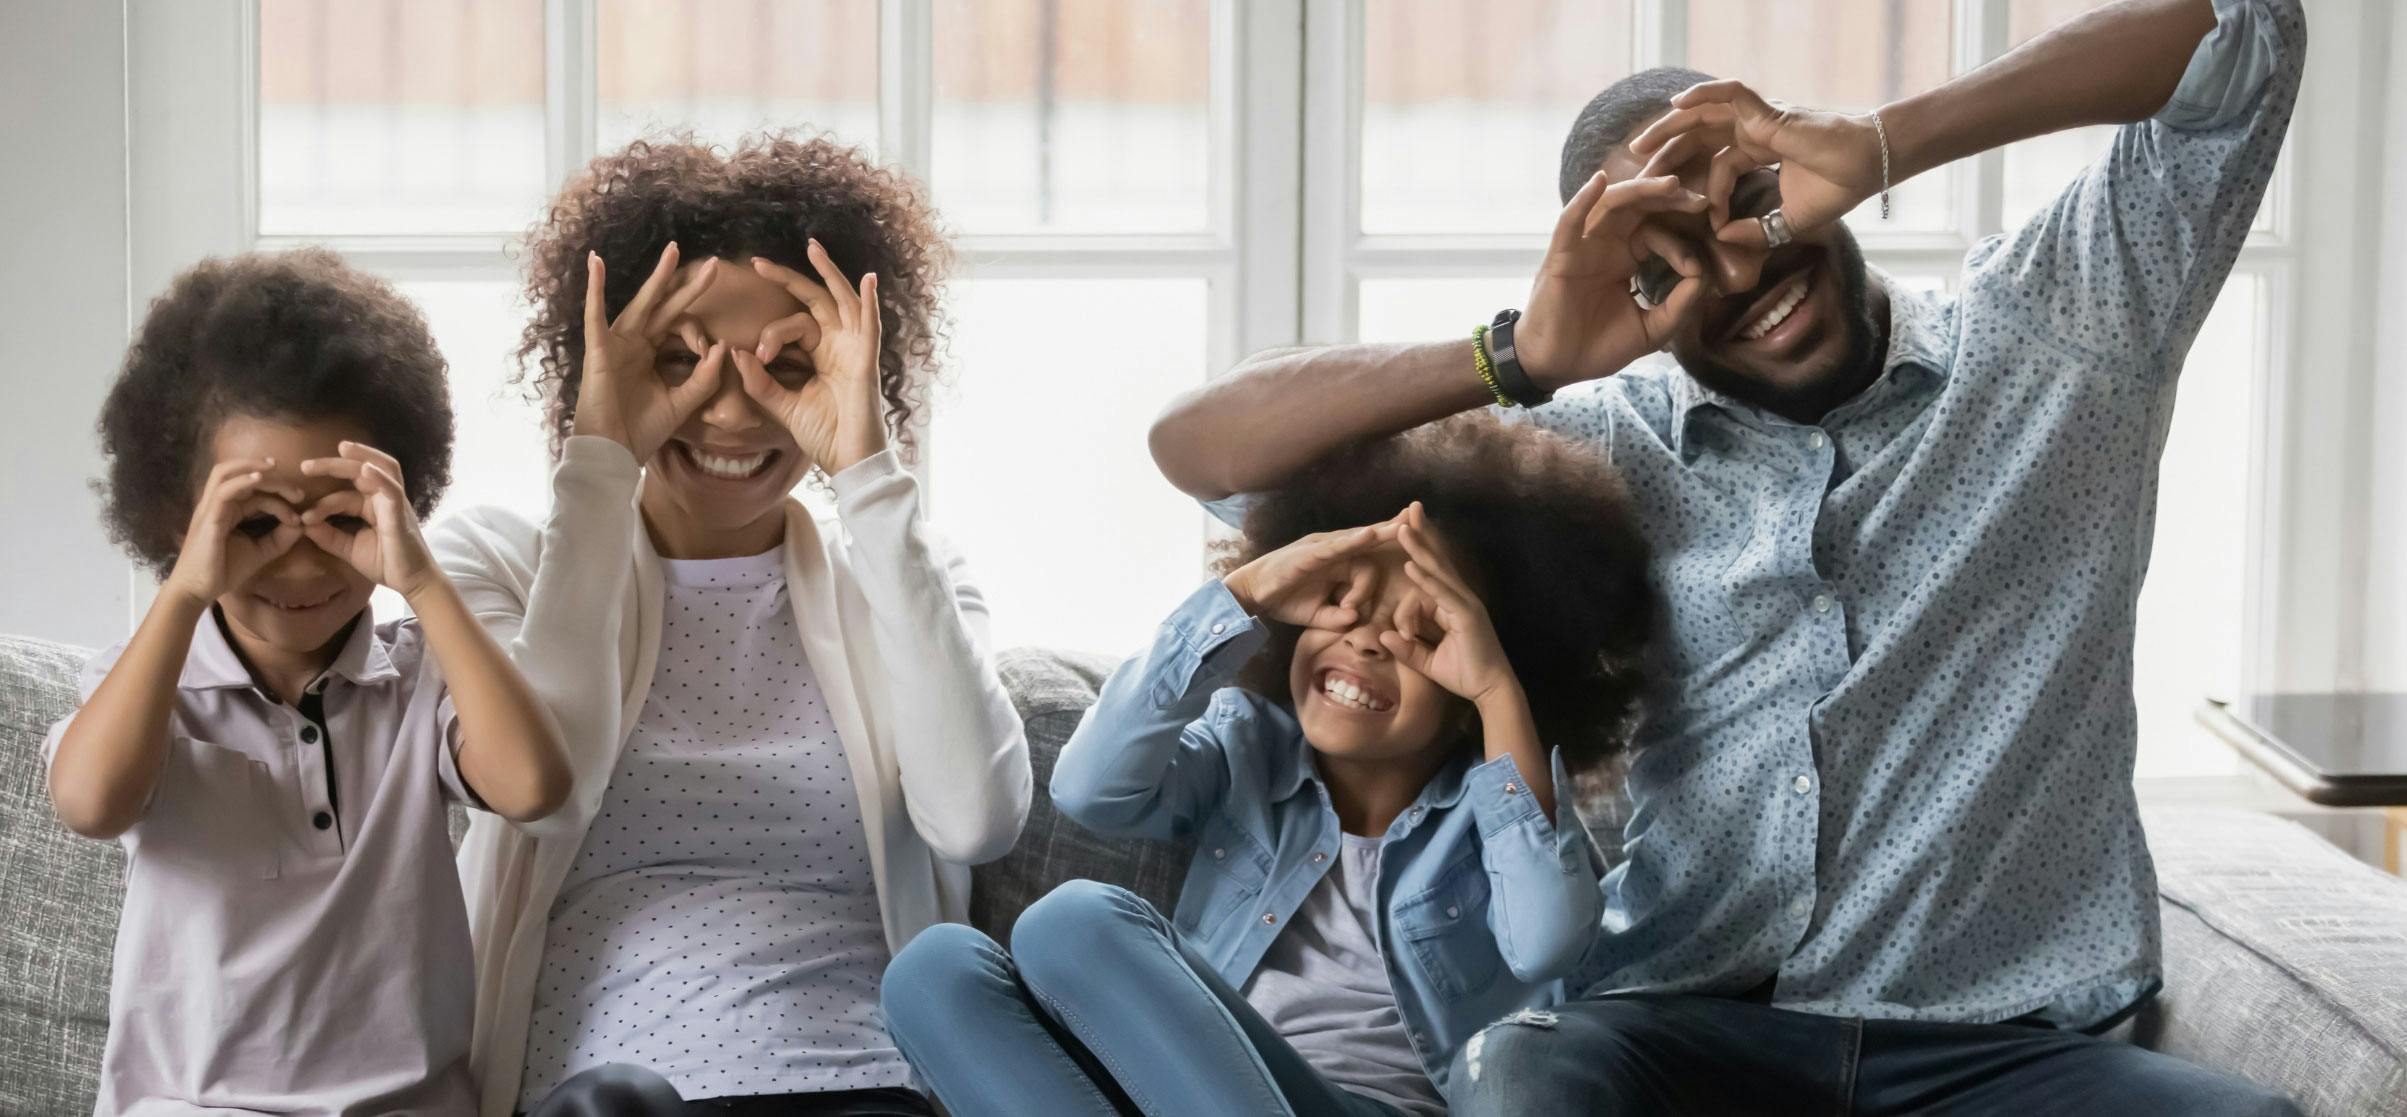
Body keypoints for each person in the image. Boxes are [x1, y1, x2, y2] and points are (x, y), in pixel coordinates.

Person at [1145, 0, 2306, 1112]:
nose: (1743, 270)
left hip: (2003, 1049)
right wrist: (1521, 353)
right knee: (1524, 1076)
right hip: (1681, 1030)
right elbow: (1201, 447)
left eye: (1752, 204)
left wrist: (1883, 141)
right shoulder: (1581, 462)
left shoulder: (2060, 331)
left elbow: (2247, 30)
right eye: (1665, 265)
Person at [427, 132, 1029, 1116]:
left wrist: (870, 477)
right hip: (607, 1095)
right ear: (602, 370)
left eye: (786, 364)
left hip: (865, 1086)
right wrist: (601, 461)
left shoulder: (903, 578)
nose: (735, 409)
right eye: (677, 361)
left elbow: (975, 816)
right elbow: (547, 792)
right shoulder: (498, 565)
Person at [881, 416, 1656, 1116]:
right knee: (935, 968)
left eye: (1421, 628)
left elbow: (1547, 943)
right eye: (1342, 602)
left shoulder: (1496, 818)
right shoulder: (1245, 745)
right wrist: (1242, 594)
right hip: (1187, 1090)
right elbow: (1088, 788)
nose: (1365, 640)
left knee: (1074, 918)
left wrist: (1495, 691)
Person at [39, 248, 629, 1114]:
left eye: (341, 519)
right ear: (180, 517)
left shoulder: (419, 683)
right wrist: (187, 589)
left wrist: (421, 579)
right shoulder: (144, 693)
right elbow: (91, 802)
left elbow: (535, 786)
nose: (301, 558)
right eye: (256, 522)